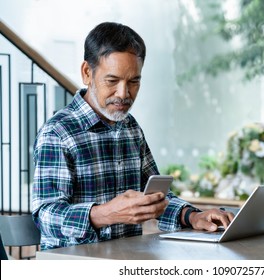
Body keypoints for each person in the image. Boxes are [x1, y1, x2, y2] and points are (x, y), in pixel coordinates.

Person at [32, 22, 234, 250]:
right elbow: (46, 216)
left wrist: (193, 216)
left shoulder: (130, 127)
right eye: (112, 81)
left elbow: (155, 198)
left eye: (134, 82)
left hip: (127, 260)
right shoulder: (58, 133)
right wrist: (106, 213)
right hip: (72, 264)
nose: (124, 94)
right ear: (87, 73)